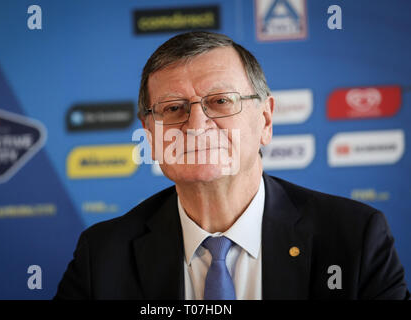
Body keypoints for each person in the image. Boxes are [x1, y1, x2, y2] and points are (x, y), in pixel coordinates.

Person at [54, 31, 409, 300]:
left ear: (266, 120)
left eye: (221, 101)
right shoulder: (102, 255)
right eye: (174, 108)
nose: (195, 126)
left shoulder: (355, 238)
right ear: (150, 132)